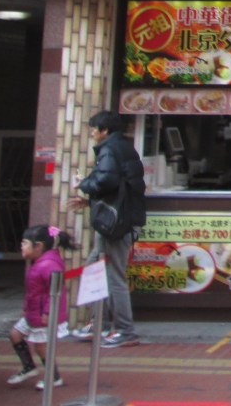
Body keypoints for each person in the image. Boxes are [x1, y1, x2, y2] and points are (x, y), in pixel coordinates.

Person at [70, 110, 147, 349]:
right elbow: (120, 188)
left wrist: (83, 184)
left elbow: (105, 181)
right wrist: (90, 202)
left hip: (117, 224)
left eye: (94, 129)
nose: (92, 133)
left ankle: (125, 330)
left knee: (113, 275)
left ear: (105, 131)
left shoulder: (110, 149)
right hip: (120, 219)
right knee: (94, 268)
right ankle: (99, 322)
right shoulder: (122, 148)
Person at [7, 225, 74, 390]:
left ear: (38, 246)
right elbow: (33, 290)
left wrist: (48, 312)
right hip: (34, 312)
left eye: (24, 243)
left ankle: (54, 377)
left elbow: (55, 292)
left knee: (41, 347)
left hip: (43, 315)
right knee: (15, 334)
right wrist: (26, 307)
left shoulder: (48, 265)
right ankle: (29, 367)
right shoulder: (40, 263)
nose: (21, 247)